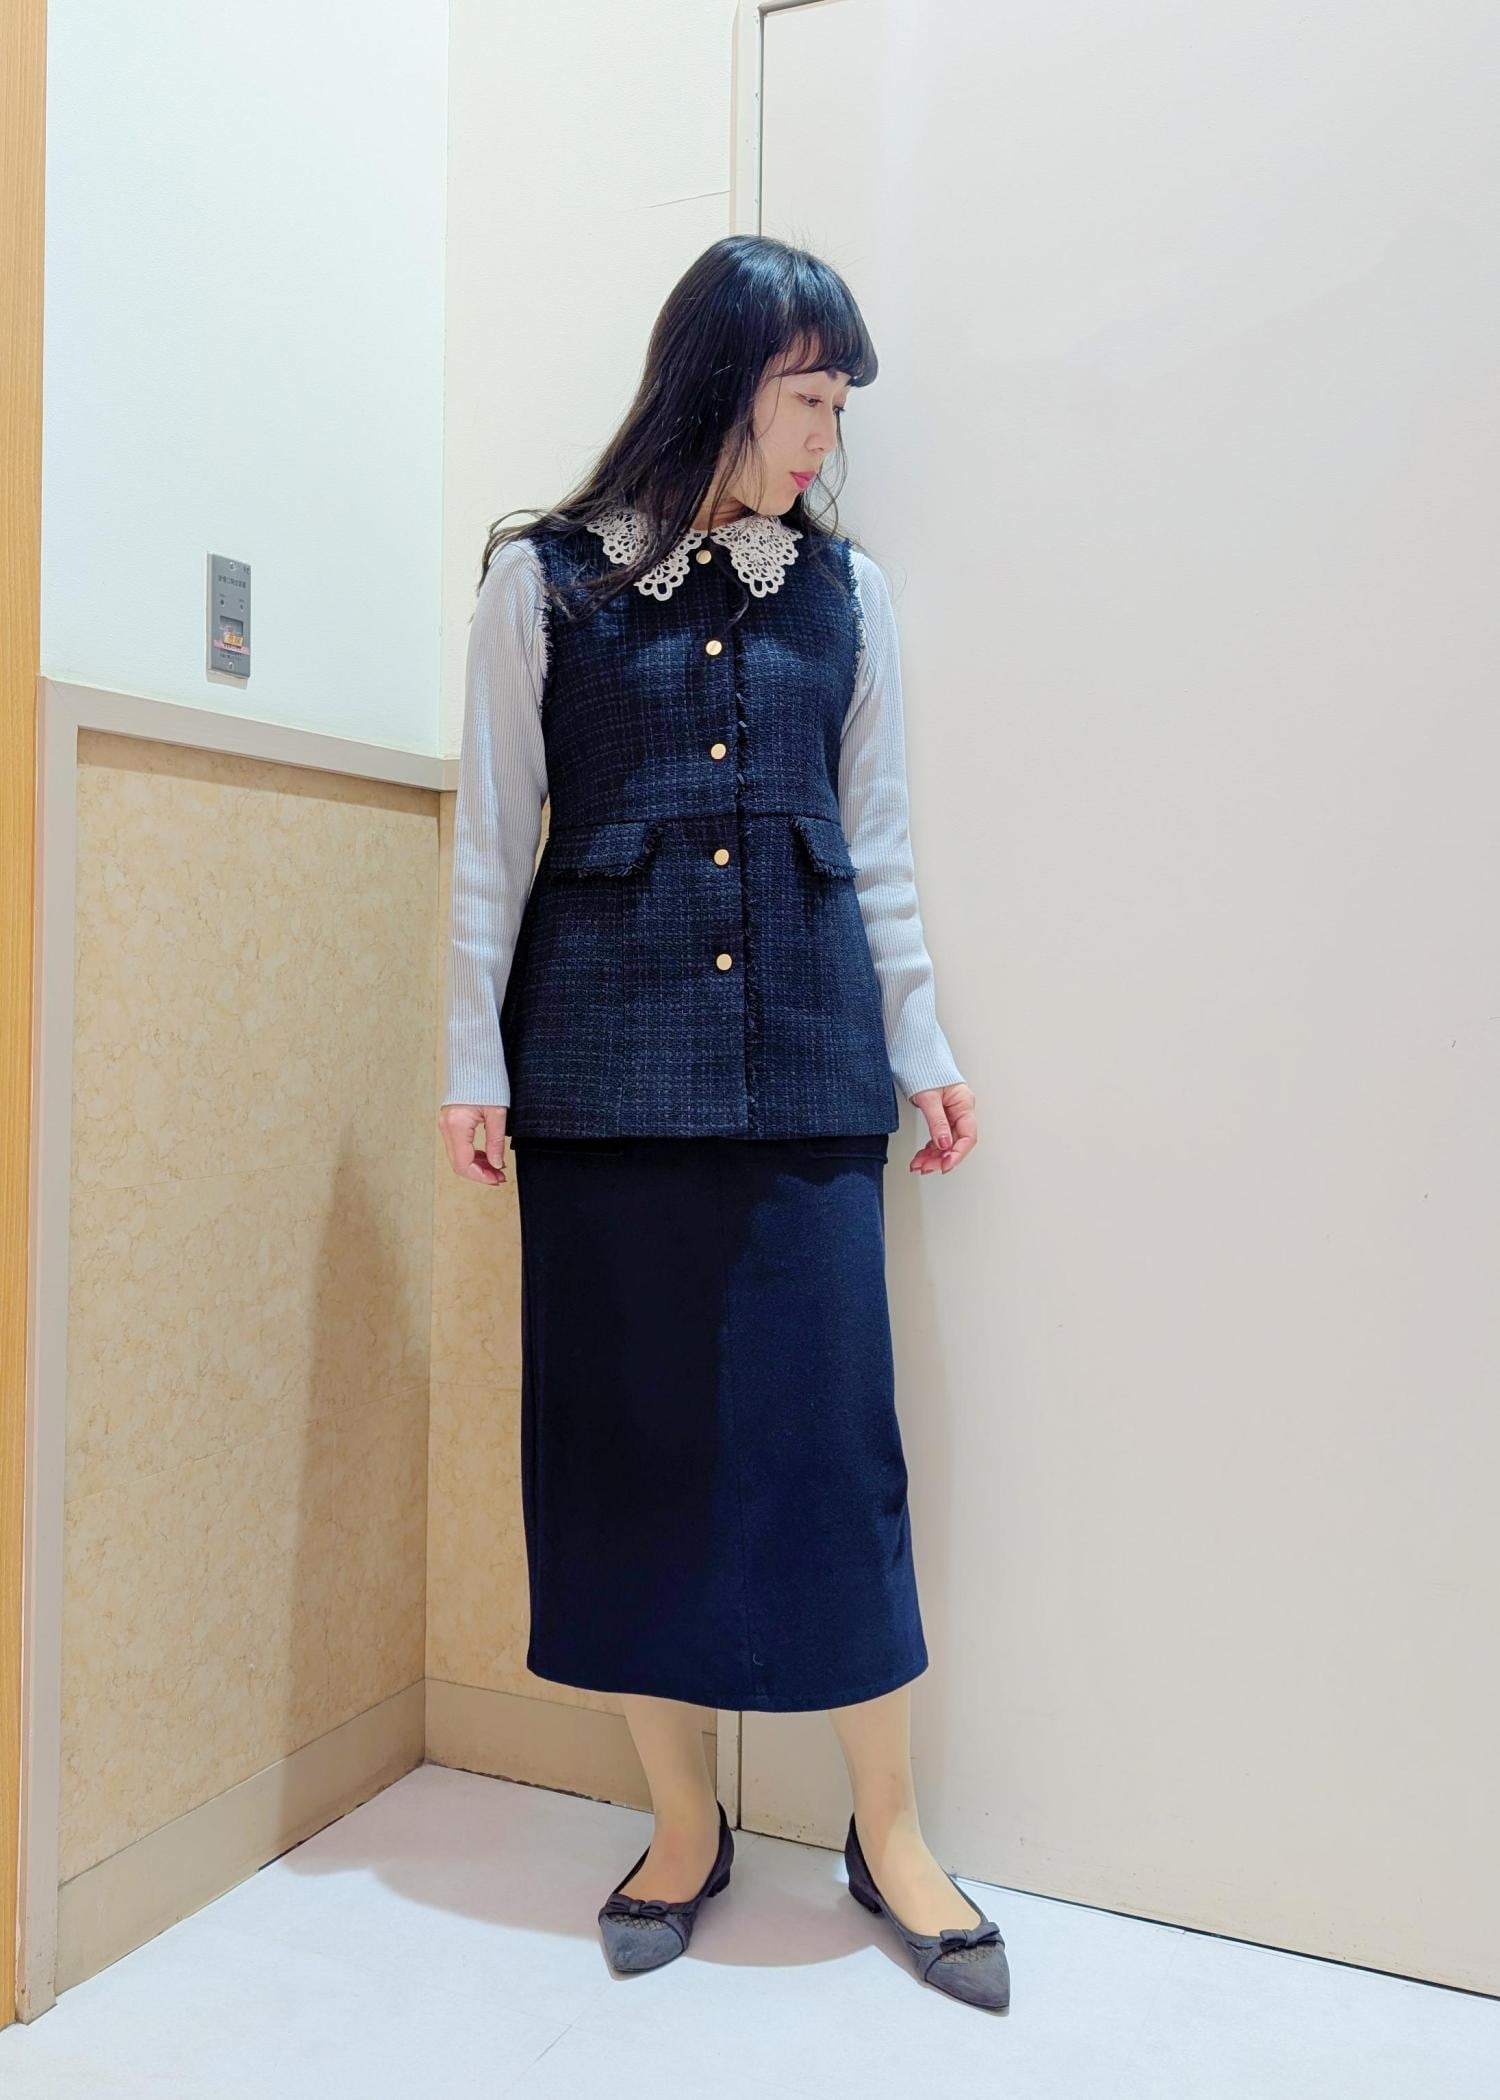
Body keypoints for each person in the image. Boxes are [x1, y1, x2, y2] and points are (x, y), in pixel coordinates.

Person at [437, 234, 1006, 2010]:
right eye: (811, 398)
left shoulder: (851, 596)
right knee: (628, 1454)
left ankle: (887, 1831)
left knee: (837, 1455)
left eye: (839, 405)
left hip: (810, 1069)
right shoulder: (541, 583)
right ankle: (681, 1829)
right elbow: (490, 840)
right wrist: (471, 1065)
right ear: (721, 383)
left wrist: (924, 1048)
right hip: (600, 1082)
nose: (830, 435)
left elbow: (877, 841)